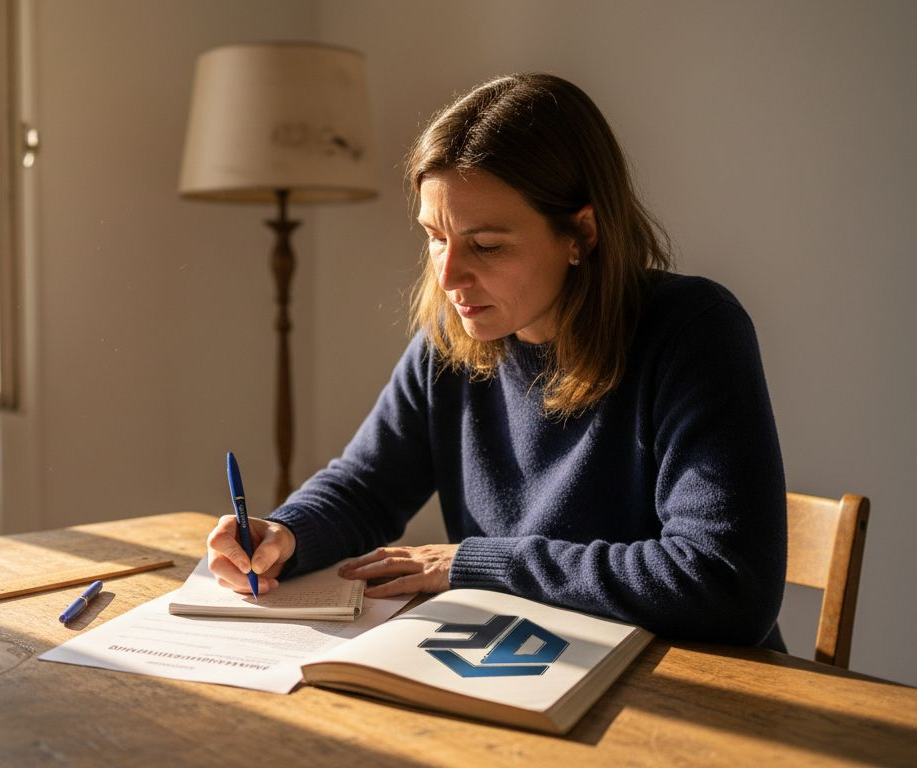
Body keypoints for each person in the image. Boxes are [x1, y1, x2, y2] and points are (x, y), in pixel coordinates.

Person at [207, 72, 787, 649]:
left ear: (581, 234)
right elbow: (366, 487)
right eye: (436, 236)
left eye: (486, 246)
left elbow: (724, 586)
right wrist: (285, 532)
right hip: (521, 661)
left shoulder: (692, 329)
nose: (448, 276)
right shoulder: (453, 337)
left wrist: (476, 562)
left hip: (694, 691)